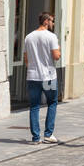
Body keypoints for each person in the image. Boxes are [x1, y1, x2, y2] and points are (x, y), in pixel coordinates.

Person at [24, 12, 60, 145]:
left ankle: (35, 137)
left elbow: (26, 59)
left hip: (33, 76)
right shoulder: (51, 37)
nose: (53, 23)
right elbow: (56, 56)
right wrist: (59, 50)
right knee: (52, 102)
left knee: (34, 106)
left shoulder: (28, 37)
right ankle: (48, 134)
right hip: (49, 76)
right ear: (46, 21)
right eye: (52, 20)